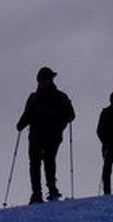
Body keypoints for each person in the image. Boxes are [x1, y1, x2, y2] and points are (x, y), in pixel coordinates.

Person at [16, 66, 76, 204]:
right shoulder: (35, 98)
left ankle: (50, 189)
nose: (43, 82)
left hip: (51, 134)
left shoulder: (59, 97)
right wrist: (21, 124)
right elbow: (27, 114)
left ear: (51, 80)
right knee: (36, 163)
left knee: (47, 160)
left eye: (45, 80)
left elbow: (71, 114)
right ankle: (37, 192)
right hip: (37, 134)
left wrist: (59, 124)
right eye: (41, 80)